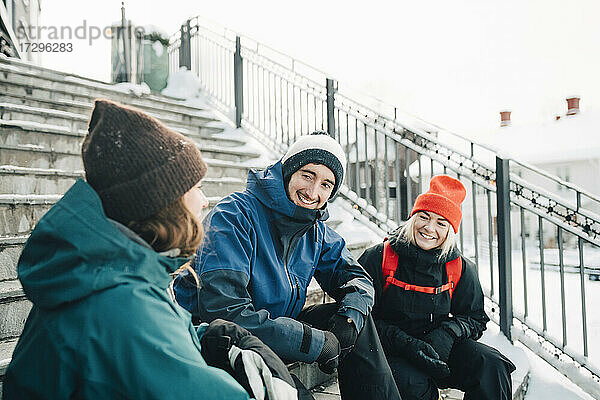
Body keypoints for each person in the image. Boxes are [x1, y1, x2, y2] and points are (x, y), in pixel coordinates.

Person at [4, 99, 296, 400]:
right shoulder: (121, 302)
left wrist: (207, 337)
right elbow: (141, 340)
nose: (205, 200)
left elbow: (141, 349)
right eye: (197, 187)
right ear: (165, 205)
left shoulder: (111, 275)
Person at [174, 132, 402, 400]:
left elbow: (357, 279)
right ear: (288, 170)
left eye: (326, 184)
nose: (313, 192)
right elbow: (225, 312)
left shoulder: (314, 230)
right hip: (220, 341)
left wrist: (347, 320)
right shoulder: (233, 216)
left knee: (357, 321)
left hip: (273, 331)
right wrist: (315, 343)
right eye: (307, 175)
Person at [357, 175, 516, 400]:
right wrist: (406, 343)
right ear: (413, 218)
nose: (429, 228)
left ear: (450, 230)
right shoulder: (379, 257)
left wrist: (448, 334)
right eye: (424, 217)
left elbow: (475, 318)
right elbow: (361, 318)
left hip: (436, 350)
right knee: (414, 385)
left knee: (492, 365)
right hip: (389, 350)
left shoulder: (459, 266)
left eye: (441, 223)